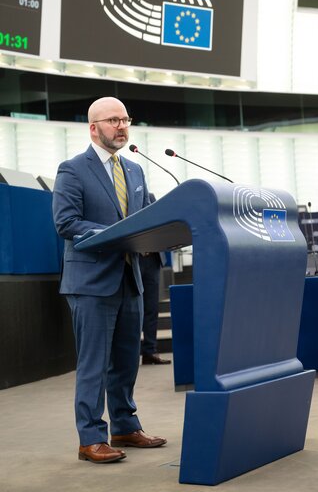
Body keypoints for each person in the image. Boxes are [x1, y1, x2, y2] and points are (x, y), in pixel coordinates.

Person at [52, 96, 167, 464]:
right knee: (94, 365)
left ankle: (124, 425)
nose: (121, 126)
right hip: (91, 283)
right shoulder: (72, 169)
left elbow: (146, 216)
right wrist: (118, 233)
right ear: (93, 127)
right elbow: (66, 223)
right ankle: (90, 439)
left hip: (129, 279)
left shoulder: (134, 169)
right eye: (113, 120)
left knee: (126, 361)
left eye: (125, 119)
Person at [140, 193, 171, 365]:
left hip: (152, 260)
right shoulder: (122, 198)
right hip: (132, 259)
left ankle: (149, 351)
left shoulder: (151, 198)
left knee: (151, 308)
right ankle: (128, 355)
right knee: (133, 311)